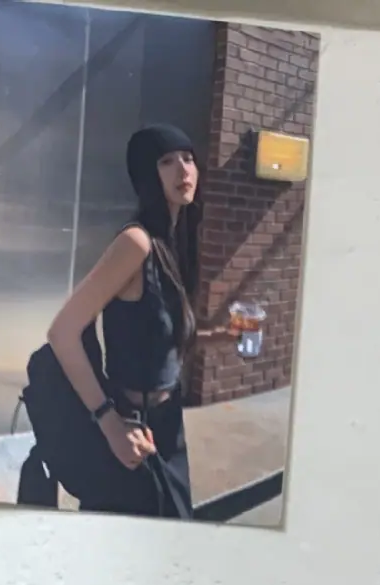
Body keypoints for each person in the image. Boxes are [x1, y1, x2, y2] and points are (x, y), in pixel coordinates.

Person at [23, 124, 228, 517]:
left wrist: (220, 336)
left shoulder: (174, 243)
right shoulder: (136, 243)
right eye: (166, 161)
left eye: (188, 158)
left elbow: (157, 336)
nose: (183, 169)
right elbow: (63, 332)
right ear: (147, 175)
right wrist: (110, 424)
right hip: (132, 427)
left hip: (168, 423)